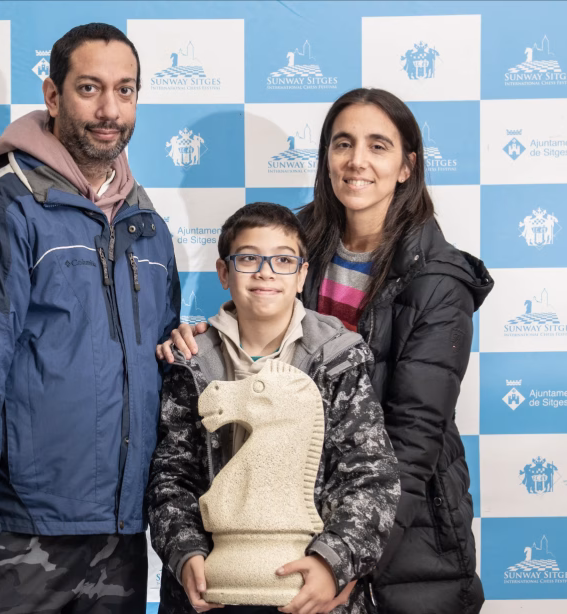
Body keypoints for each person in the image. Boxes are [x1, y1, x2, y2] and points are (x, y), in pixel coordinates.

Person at [159, 88, 491, 614]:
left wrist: (347, 557)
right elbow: (254, 336)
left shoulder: (439, 281)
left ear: (407, 166)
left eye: (378, 146)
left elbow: (413, 436)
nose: (357, 161)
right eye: (343, 144)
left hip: (404, 526)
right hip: (285, 523)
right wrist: (205, 336)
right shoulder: (294, 246)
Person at [0, 23, 180, 614]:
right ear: (53, 96)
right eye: (89, 88)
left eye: (126, 90)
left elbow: (156, 368)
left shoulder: (147, 225)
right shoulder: (0, 207)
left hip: (119, 533)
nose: (110, 109)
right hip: (16, 535)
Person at [149, 203, 400, 614]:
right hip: (215, 593)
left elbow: (370, 475)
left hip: (311, 594)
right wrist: (186, 552)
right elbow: (171, 476)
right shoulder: (190, 361)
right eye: (249, 258)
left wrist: (332, 561)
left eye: (283, 260)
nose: (266, 272)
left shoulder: (337, 359)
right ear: (224, 273)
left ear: (302, 274)